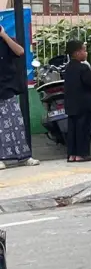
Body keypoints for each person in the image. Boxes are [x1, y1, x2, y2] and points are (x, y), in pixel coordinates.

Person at [0, 24, 36, 170]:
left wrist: (4, 35)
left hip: (7, 88)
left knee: (16, 123)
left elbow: (20, 51)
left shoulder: (6, 40)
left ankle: (24, 157)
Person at [64, 39, 91, 163]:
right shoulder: (83, 67)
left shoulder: (68, 68)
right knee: (83, 130)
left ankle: (72, 155)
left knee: (72, 130)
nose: (86, 53)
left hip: (71, 104)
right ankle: (82, 154)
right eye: (84, 50)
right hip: (84, 104)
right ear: (76, 53)